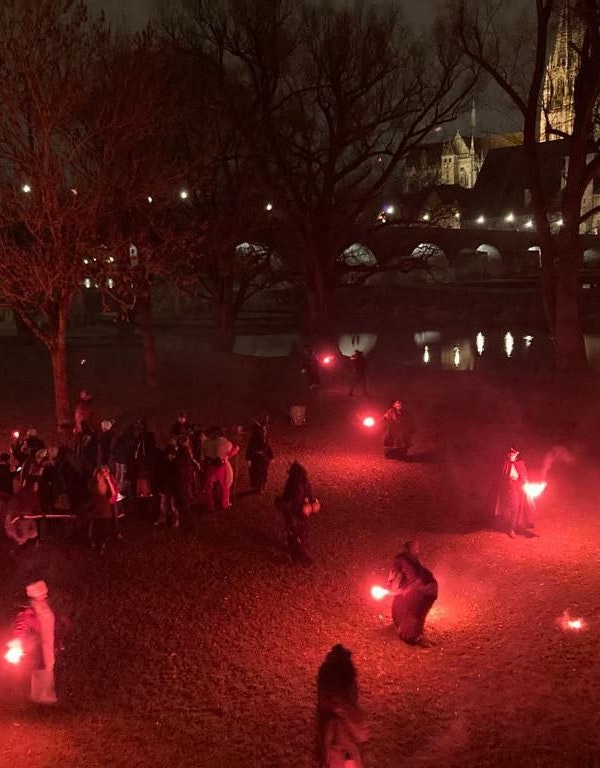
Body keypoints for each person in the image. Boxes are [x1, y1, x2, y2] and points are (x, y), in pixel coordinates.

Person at [316, 645, 368, 768]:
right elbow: (361, 736)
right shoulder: (337, 717)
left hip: (342, 744)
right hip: (340, 745)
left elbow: (361, 735)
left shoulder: (342, 713)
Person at [11, 581, 58, 704]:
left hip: (50, 643)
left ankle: (45, 698)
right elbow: (20, 627)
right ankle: (40, 701)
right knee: (40, 670)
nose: (46, 594)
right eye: (43, 592)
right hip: (38, 646)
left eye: (45, 591)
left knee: (48, 668)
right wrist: (17, 643)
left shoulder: (45, 605)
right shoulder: (28, 611)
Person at [386, 540, 438, 645]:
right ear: (408, 548)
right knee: (408, 611)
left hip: (418, 589)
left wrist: (424, 584)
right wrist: (389, 585)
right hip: (408, 589)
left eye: (416, 548)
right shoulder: (401, 558)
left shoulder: (415, 559)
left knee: (418, 612)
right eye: (414, 548)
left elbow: (420, 572)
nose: (416, 550)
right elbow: (394, 573)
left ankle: (415, 634)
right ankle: (410, 636)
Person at [276, 461, 315, 565]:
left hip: (295, 515)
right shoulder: (305, 481)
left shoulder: (295, 483)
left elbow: (293, 502)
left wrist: (280, 503)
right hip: (302, 514)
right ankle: (302, 554)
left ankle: (301, 558)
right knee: (301, 534)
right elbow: (309, 496)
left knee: (295, 535)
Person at [494, 446, 535, 538]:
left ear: (517, 453)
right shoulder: (505, 463)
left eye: (513, 453)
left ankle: (515, 526)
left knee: (519, 507)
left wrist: (526, 484)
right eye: (509, 453)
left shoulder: (520, 463)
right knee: (512, 507)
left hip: (518, 487)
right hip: (509, 488)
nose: (510, 455)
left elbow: (524, 475)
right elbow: (502, 476)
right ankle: (511, 528)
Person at [202, 427, 239, 512]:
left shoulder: (206, 442)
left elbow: (204, 453)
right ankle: (225, 504)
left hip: (210, 466)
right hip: (221, 467)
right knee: (225, 485)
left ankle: (210, 505)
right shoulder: (224, 442)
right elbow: (229, 454)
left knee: (208, 487)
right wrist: (236, 449)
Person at [87, 466, 118, 552]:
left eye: (104, 473)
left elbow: (114, 495)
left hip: (105, 514)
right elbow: (90, 492)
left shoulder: (109, 484)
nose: (101, 474)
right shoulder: (93, 484)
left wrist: (108, 479)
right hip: (95, 513)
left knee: (104, 533)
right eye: (100, 473)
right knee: (93, 533)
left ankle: (102, 545)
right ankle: (94, 544)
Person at [245, 422, 274, 494]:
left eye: (265, 430)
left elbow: (268, 448)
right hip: (255, 459)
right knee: (256, 473)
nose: (264, 432)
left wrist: (271, 456)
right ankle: (257, 487)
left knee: (264, 472)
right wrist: (248, 459)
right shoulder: (253, 439)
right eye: (263, 430)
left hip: (264, 459)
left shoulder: (265, 438)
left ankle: (263, 485)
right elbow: (249, 449)